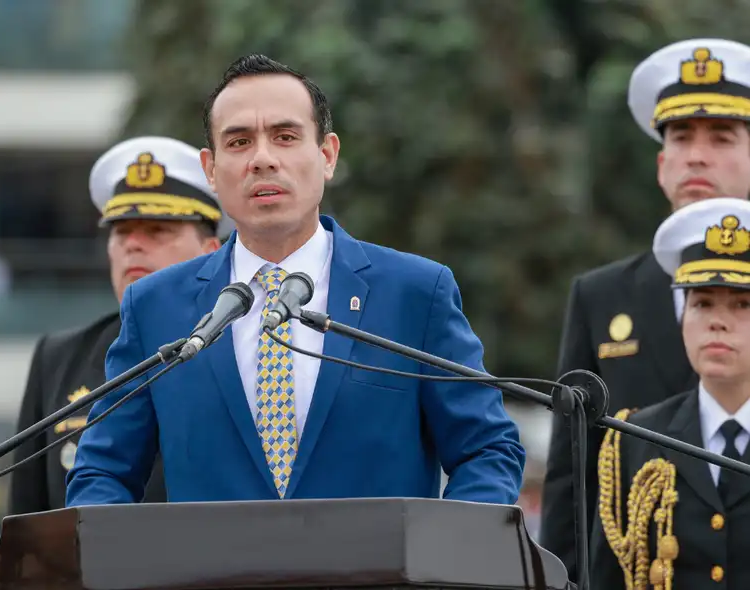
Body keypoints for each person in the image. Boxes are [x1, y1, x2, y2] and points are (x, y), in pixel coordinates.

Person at [65, 54, 525, 506]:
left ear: (327, 155)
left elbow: (487, 450)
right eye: (239, 142)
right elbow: (103, 470)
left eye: (285, 137)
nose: (263, 159)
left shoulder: (415, 292)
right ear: (211, 169)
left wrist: (448, 556)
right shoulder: (155, 306)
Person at [541, 38, 750, 578]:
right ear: (661, 165)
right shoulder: (602, 296)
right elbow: (573, 469)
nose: (697, 155)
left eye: (722, 137)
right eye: (681, 138)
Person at [7, 136, 226, 515]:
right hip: (87, 571)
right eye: (122, 231)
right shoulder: (59, 357)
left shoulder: (242, 349)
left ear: (211, 252)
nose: (133, 245)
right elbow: (27, 515)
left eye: (158, 231)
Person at [591, 197, 750, 589]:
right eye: (702, 303)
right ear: (682, 319)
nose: (717, 323)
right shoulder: (635, 439)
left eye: (743, 304)